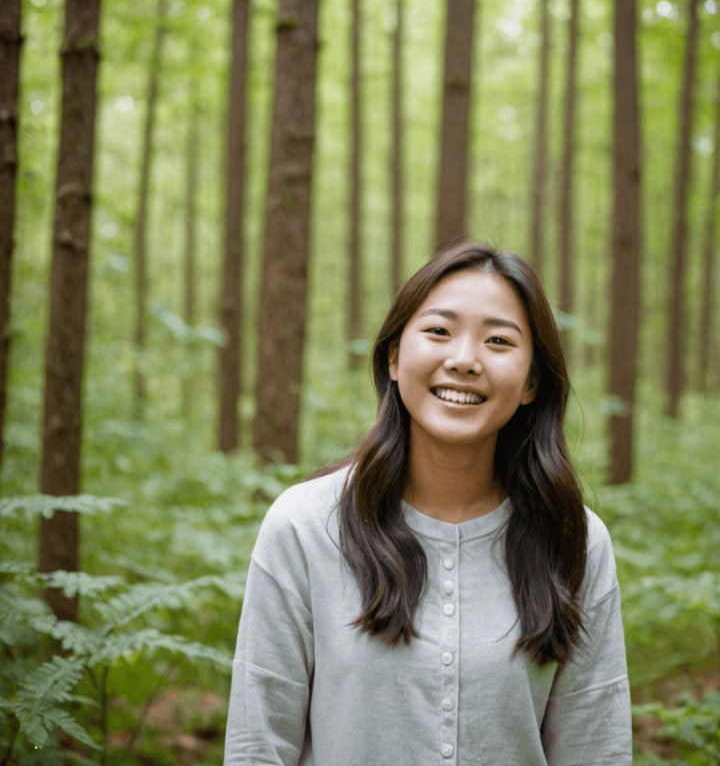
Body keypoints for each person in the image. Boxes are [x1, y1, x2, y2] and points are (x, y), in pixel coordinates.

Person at [224, 242, 632, 766]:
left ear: (531, 381)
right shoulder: (304, 527)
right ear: (394, 357)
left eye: (499, 341)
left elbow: (595, 750)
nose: (463, 360)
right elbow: (258, 746)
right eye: (439, 331)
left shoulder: (573, 538)